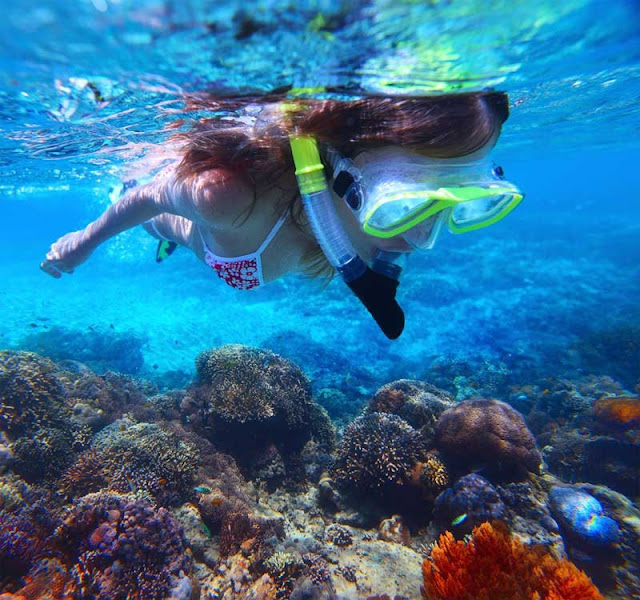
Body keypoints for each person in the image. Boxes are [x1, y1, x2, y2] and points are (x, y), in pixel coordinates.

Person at [41, 91, 523, 339]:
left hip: (250, 250)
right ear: (337, 170)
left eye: (451, 206)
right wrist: (81, 243)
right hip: (206, 237)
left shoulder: (372, 222)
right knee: (162, 224)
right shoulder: (226, 196)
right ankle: (157, 234)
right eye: (403, 204)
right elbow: (148, 198)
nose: (422, 239)